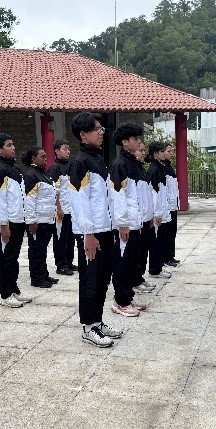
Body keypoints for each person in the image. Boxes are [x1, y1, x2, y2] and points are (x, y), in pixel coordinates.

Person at [67, 112, 123, 348]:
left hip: (105, 229)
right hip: (91, 233)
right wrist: (88, 234)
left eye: (101, 128)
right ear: (83, 134)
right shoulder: (80, 163)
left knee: (102, 280)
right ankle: (88, 327)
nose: (102, 132)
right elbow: (79, 201)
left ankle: (98, 321)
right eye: (97, 129)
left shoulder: (99, 160)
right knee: (90, 281)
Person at [0, 133, 34, 308]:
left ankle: (14, 290)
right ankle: (5, 294)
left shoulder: (14, 169)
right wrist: (3, 224)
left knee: (13, 258)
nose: (13, 147)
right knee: (6, 259)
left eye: (13, 144)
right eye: (8, 145)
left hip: (18, 219)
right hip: (8, 222)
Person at [109, 123, 149, 317]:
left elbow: (137, 197)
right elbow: (118, 195)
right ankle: (120, 301)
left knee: (131, 262)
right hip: (126, 224)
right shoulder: (120, 164)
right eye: (135, 139)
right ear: (125, 142)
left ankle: (127, 295)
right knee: (122, 263)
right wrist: (122, 223)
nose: (139, 142)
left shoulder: (133, 163)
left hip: (135, 222)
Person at [22, 147, 59, 288]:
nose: (46, 158)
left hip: (47, 218)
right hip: (38, 220)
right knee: (36, 250)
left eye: (45, 156)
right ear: (33, 158)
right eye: (42, 156)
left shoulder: (44, 174)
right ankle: (36, 278)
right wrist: (31, 221)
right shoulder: (31, 175)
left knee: (43, 249)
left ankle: (44, 274)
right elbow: (29, 200)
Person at [47, 139, 78, 276]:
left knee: (70, 237)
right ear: (57, 151)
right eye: (65, 149)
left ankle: (69, 261)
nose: (68, 151)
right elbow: (54, 191)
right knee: (60, 237)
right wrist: (58, 208)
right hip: (60, 210)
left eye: (68, 149)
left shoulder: (70, 166)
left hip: (70, 209)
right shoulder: (54, 168)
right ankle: (61, 265)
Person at [132, 142, 157, 295]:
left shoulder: (142, 169)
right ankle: (134, 280)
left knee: (142, 253)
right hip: (137, 221)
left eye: (143, 151)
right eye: (140, 151)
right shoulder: (129, 168)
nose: (143, 153)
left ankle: (139, 278)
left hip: (146, 219)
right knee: (135, 254)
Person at [147, 142, 174, 279]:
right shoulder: (154, 170)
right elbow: (154, 193)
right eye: (162, 151)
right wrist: (156, 213)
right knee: (156, 242)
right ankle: (154, 269)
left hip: (163, 210)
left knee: (162, 240)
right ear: (156, 154)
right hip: (158, 213)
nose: (165, 153)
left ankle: (159, 266)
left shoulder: (161, 168)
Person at [162, 145, 181, 268]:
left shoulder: (168, 166)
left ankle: (170, 255)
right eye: (169, 151)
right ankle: (165, 257)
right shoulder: (161, 168)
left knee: (172, 232)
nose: (171, 153)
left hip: (173, 205)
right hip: (167, 206)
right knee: (166, 234)